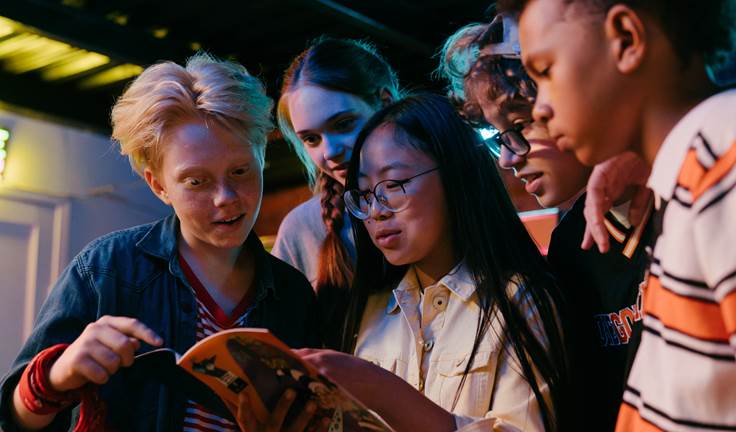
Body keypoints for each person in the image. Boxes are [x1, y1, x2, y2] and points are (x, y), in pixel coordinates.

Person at [0, 53, 319, 432]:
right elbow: (12, 421)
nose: (225, 197)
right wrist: (56, 377)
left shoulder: (293, 295)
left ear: (262, 156)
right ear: (158, 185)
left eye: (240, 171)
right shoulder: (106, 269)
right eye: (197, 181)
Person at [504, 0, 736, 429]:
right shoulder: (690, 175)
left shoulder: (726, 142)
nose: (540, 109)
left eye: (546, 72)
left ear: (627, 39)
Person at [299, 93, 569, 431]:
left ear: (455, 175)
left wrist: (382, 390)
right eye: (365, 194)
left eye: (394, 184)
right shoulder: (369, 310)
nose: (377, 211)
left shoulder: (518, 300)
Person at [439, 17, 653, 430]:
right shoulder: (570, 245)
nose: (508, 158)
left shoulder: (686, 194)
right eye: (498, 138)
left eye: (519, 127)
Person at [273, 37, 402, 348]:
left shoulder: (445, 192)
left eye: (343, 124)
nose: (330, 151)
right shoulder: (302, 228)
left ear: (385, 103)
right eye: (311, 139)